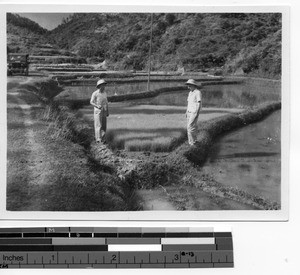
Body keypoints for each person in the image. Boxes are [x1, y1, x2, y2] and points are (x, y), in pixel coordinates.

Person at [90, 79, 109, 143]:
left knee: (104, 125)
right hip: (97, 110)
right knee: (98, 125)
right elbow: (91, 102)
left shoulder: (105, 93)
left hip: (104, 109)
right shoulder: (95, 93)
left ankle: (103, 138)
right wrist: (97, 106)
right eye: (102, 85)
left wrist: (107, 111)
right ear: (99, 86)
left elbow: (106, 102)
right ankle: (98, 139)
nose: (104, 87)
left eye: (104, 85)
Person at [185, 79, 202, 146]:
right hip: (189, 112)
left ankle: (192, 143)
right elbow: (189, 103)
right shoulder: (190, 93)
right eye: (188, 85)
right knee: (190, 127)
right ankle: (193, 141)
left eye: (189, 85)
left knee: (190, 127)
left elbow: (199, 103)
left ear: (193, 85)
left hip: (194, 112)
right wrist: (186, 111)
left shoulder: (197, 92)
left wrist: (197, 113)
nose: (188, 87)